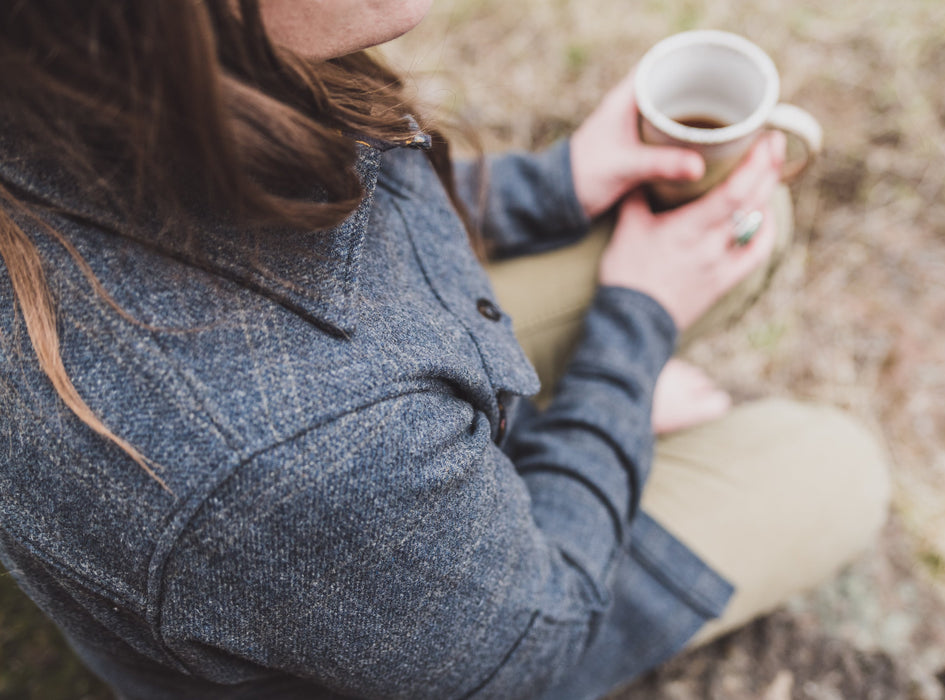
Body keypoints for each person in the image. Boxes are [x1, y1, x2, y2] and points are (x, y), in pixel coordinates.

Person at [0, 1, 890, 698]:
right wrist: (632, 336)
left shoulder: (82, 87)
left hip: (339, 511)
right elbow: (528, 646)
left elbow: (318, 211)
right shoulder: (295, 461)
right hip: (417, 637)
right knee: (836, 466)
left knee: (735, 214)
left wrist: (555, 183)